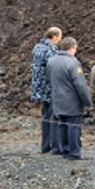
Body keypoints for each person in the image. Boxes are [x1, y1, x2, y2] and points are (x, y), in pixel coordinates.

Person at [47, 37, 93, 160]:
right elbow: (80, 85)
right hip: (71, 102)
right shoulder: (73, 62)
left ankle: (64, 150)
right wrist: (87, 102)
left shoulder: (51, 61)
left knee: (62, 125)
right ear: (72, 47)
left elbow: (49, 79)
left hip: (57, 100)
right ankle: (74, 152)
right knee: (73, 127)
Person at [30, 26, 62, 154]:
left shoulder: (38, 48)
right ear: (54, 37)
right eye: (60, 36)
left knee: (45, 117)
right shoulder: (51, 50)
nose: (60, 39)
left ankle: (45, 145)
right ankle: (55, 146)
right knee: (54, 117)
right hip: (50, 87)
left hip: (39, 88)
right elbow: (54, 68)